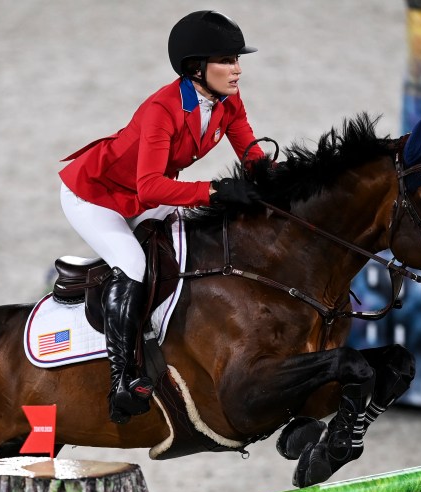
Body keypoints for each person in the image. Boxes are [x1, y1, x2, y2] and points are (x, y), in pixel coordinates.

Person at [59, 10, 266, 424]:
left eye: (237, 60)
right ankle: (122, 377)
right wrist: (212, 190)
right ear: (196, 68)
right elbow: (150, 186)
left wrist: (277, 182)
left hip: (144, 192)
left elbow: (252, 156)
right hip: (96, 195)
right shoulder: (162, 109)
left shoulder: (228, 102)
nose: (237, 70)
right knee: (133, 263)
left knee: (190, 243)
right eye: (226, 61)